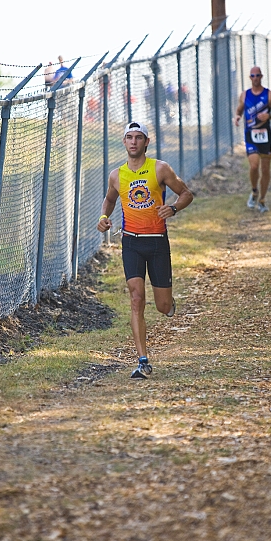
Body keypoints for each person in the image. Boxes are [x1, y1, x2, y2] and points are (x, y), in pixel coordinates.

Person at [97, 121, 193, 379]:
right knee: (136, 298)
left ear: (146, 142)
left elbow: (186, 193)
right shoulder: (117, 175)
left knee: (162, 306)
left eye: (139, 137)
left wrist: (173, 208)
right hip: (132, 242)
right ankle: (143, 361)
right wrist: (104, 216)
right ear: (124, 142)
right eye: (129, 137)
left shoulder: (160, 169)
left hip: (157, 242)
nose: (134, 142)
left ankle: (168, 303)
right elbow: (109, 198)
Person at [235, 66, 271, 214]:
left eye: (257, 75)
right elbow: (239, 109)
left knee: (265, 169)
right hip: (251, 134)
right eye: (252, 76)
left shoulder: (269, 95)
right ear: (250, 78)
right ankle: (254, 190)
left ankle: (262, 200)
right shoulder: (244, 95)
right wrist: (237, 116)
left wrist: (269, 116)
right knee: (254, 166)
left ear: (261, 76)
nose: (255, 78)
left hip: (265, 135)